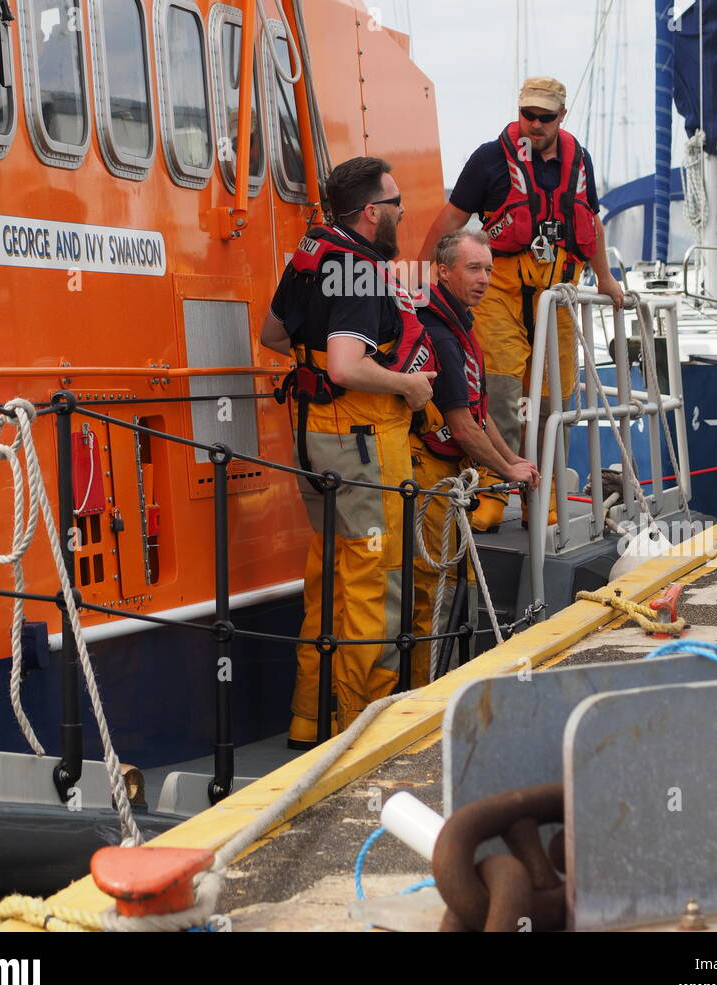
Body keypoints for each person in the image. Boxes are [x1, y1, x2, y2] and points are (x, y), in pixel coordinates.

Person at [261, 157, 436, 746]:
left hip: (312, 437)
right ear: (370, 213)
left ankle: (310, 719)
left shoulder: (311, 255)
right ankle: (364, 731)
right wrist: (409, 386)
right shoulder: (362, 271)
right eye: (395, 203)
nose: (402, 213)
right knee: (376, 581)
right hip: (361, 442)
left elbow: (274, 335)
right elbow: (346, 364)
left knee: (329, 576)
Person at [418, 78, 624, 512]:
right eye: (527, 114)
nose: (534, 124)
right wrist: (421, 277)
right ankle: (492, 492)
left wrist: (605, 278)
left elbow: (591, 222)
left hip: (561, 295)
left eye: (544, 117)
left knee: (555, 402)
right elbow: (450, 220)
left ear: (562, 116)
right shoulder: (490, 159)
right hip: (502, 293)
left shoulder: (578, 160)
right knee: (500, 392)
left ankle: (547, 501)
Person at [410, 229, 540, 684]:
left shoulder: (459, 322)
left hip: (451, 474)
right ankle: (419, 692)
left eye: (488, 269)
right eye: (473, 269)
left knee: (448, 583)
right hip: (429, 471)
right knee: (432, 589)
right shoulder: (439, 332)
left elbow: (478, 415)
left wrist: (512, 463)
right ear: (443, 272)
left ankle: (441, 683)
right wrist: (507, 469)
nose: (484, 278)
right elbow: (462, 426)